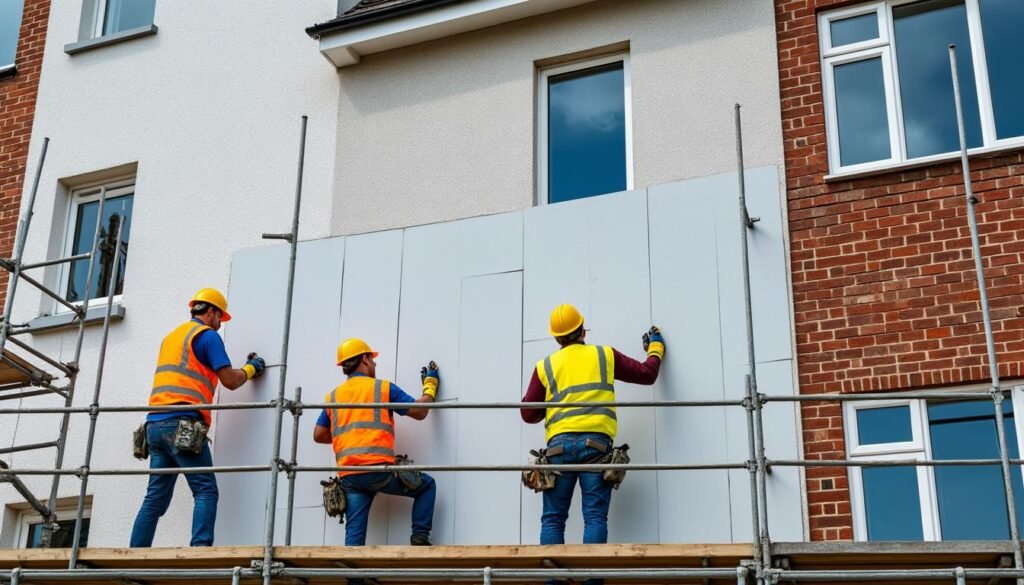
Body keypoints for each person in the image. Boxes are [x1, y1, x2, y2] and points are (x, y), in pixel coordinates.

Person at [521, 304, 664, 585]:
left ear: (556, 338)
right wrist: (655, 349)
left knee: (552, 520)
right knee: (595, 517)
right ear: (583, 329)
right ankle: (592, 582)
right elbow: (647, 375)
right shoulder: (604, 355)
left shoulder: (545, 366)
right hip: (596, 448)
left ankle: (554, 582)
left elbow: (528, 413)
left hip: (558, 450)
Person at [130, 288, 265, 547]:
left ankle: (135, 552)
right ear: (211, 311)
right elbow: (230, 381)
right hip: (182, 423)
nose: (219, 324)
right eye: (219, 318)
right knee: (205, 490)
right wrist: (252, 368)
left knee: (155, 498)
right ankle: (200, 549)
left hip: (155, 425)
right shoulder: (208, 337)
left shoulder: (173, 337)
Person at [314, 338, 440, 546]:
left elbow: (319, 434)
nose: (375, 364)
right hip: (378, 470)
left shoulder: (333, 396)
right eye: (372, 359)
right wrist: (430, 386)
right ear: (364, 358)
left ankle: (354, 577)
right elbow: (420, 412)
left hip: (350, 476)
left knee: (354, 535)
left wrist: (346, 435)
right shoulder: (382, 388)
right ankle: (419, 536)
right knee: (426, 486)